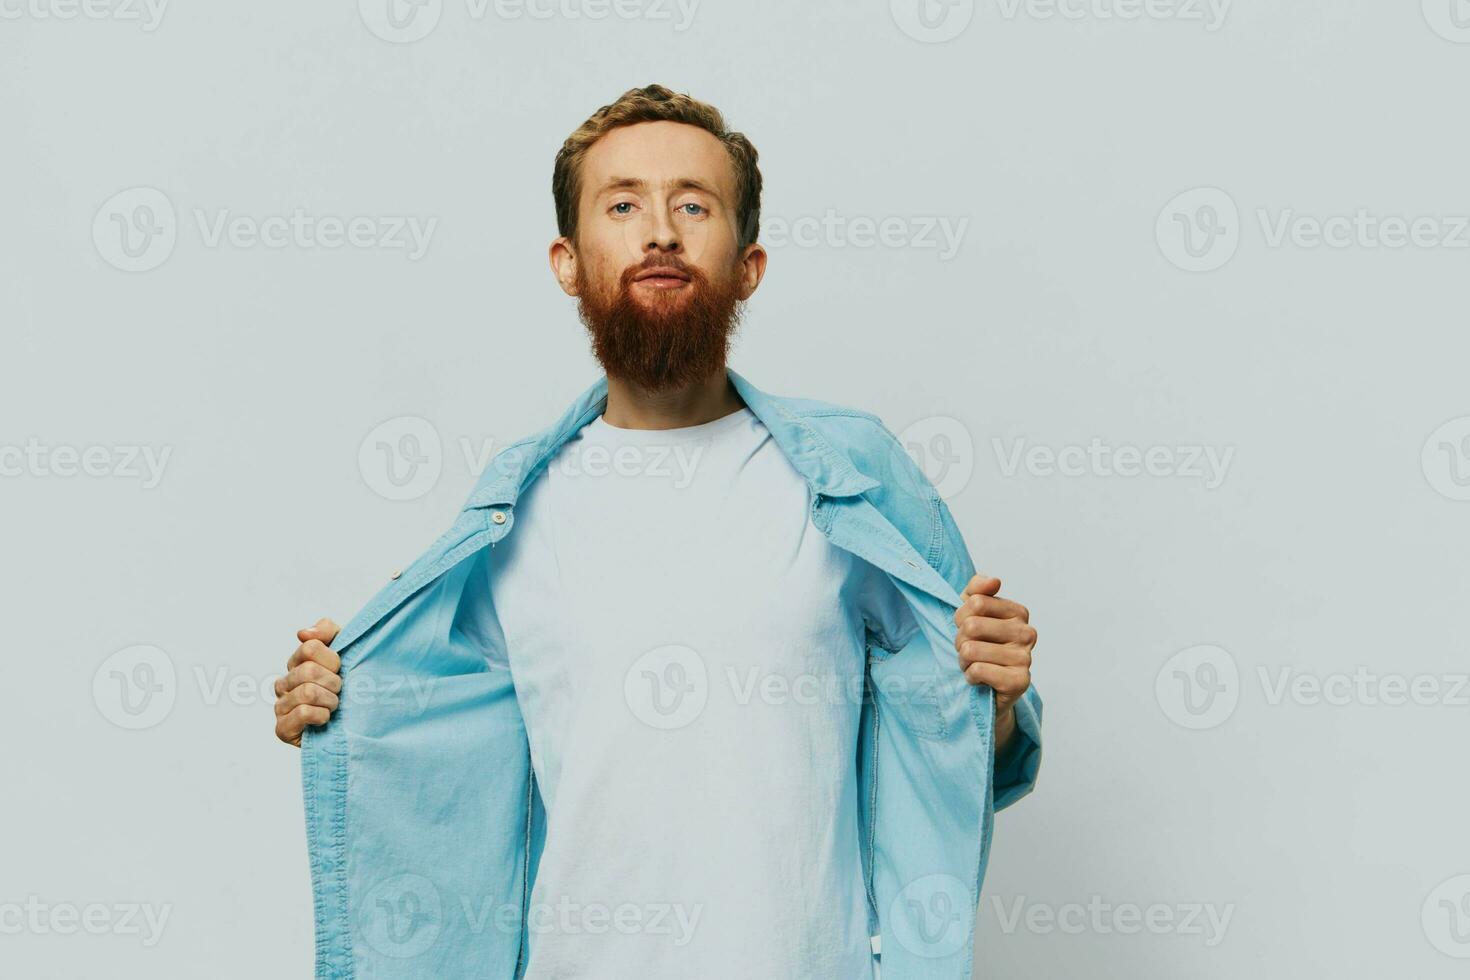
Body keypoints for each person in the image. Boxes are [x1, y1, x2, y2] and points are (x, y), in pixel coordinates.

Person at [272, 84, 1042, 980]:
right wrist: (335, 708)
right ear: (568, 260)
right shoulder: (511, 517)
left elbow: (970, 745)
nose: (661, 232)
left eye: (693, 204)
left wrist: (991, 698)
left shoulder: (854, 477)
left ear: (747, 264)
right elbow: (423, 753)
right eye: (624, 204)